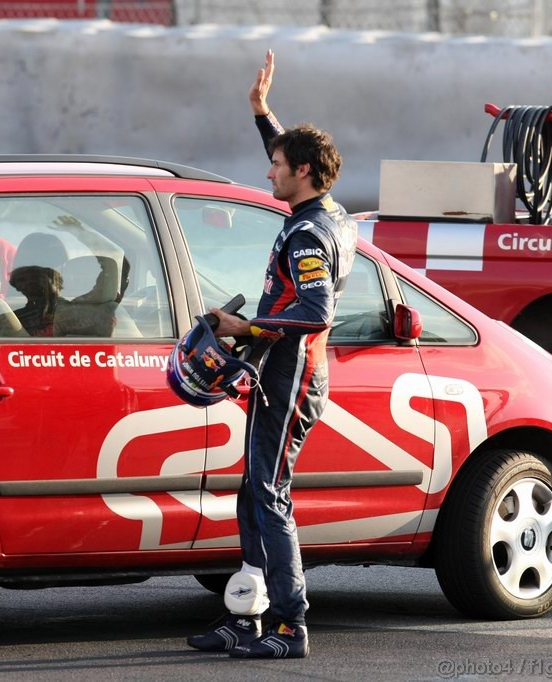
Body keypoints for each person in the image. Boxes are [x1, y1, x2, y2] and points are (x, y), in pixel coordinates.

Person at [187, 49, 357, 660]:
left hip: (292, 378)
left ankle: (290, 625)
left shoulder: (310, 232)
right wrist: (263, 114)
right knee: (251, 492)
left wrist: (242, 324)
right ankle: (245, 617)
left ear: (304, 172)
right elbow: (290, 154)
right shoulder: (326, 211)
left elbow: (315, 314)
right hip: (278, 376)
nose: (269, 173)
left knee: (269, 493)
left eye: (277, 165)